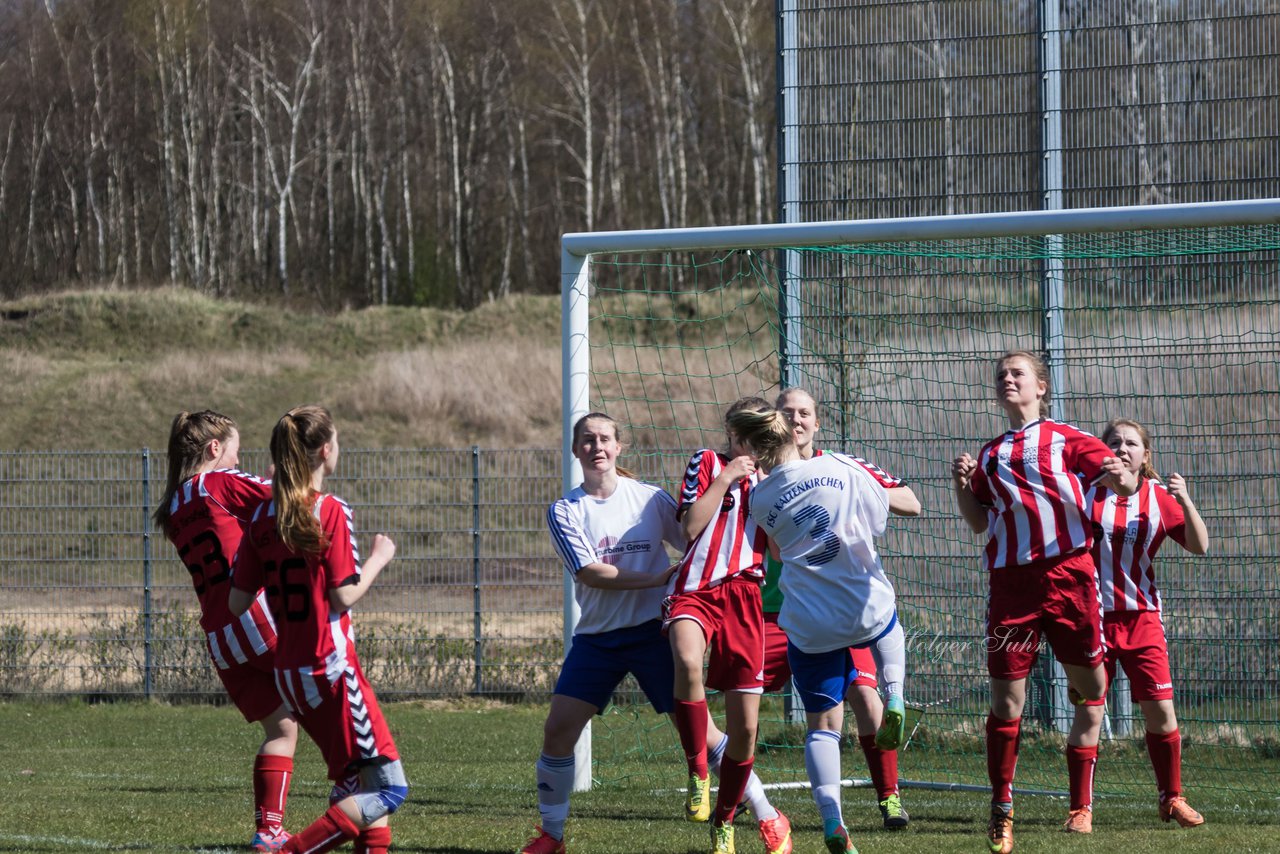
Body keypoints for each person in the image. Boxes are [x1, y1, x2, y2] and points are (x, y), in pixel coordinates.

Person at [523, 412, 788, 854]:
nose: (597, 447)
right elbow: (590, 573)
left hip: (653, 634)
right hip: (598, 639)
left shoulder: (648, 498)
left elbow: (697, 539)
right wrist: (656, 578)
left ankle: (768, 815)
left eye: (605, 438)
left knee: (706, 735)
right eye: (587, 440)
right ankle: (551, 836)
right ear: (575, 450)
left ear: (619, 446)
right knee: (557, 732)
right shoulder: (565, 509)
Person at [951, 350, 1138, 854]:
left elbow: (1120, 477)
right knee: (1006, 701)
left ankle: (1079, 768)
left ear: (1041, 387)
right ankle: (1001, 808)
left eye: (1018, 373)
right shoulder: (989, 455)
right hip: (1012, 586)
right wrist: (961, 484)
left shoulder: (1067, 438)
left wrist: (1122, 475)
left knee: (1093, 684)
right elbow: (976, 521)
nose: (1007, 380)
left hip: (1069, 578)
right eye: (1001, 375)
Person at [734, 405, 913, 854]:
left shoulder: (758, 498)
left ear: (754, 447)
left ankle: (833, 821)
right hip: (861, 603)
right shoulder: (840, 466)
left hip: (810, 620)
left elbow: (775, 552)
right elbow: (876, 523)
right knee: (888, 625)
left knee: (821, 727)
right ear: (793, 434)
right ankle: (897, 694)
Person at [230, 405, 406, 854]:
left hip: (289, 672)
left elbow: (236, 600)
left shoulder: (261, 519)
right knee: (387, 789)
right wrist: (379, 559)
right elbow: (343, 596)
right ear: (326, 450)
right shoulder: (329, 509)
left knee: (361, 780)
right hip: (331, 668)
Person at [154, 410, 297, 853]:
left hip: (221, 636)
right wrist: (287, 473)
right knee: (337, 709)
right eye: (236, 450)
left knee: (282, 731)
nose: (239, 459)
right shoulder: (219, 483)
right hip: (258, 618)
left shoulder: (173, 507)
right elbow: (291, 501)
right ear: (215, 449)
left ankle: (268, 832)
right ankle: (359, 804)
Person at [1061, 418, 1209, 834]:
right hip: (1091, 621)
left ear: (1146, 455)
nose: (1122, 449)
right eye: (1114, 442)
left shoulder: (1159, 497)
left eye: (1131, 443)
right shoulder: (1085, 490)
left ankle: (1172, 798)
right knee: (1090, 715)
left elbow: (1200, 545)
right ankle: (1080, 809)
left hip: (1142, 618)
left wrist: (1186, 500)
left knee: (1161, 711)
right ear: (1104, 450)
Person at [666, 397, 793, 854]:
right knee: (686, 659)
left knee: (744, 732)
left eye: (758, 438)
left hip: (744, 599)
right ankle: (698, 770)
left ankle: (724, 819)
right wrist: (725, 477)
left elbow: (777, 552)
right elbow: (689, 528)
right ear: (732, 432)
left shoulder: (774, 480)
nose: (749, 445)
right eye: (743, 434)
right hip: (696, 589)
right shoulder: (707, 461)